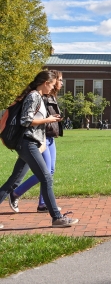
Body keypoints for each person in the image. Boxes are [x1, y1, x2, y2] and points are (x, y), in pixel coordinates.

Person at [0, 70, 78, 227]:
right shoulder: (34, 96)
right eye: (52, 84)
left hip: (31, 143)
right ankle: (57, 217)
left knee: (13, 182)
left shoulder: (39, 97)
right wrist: (47, 119)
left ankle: (56, 217)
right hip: (27, 143)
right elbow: (25, 120)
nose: (53, 87)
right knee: (46, 177)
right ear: (45, 83)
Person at [9, 71, 64, 213]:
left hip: (47, 137)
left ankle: (42, 204)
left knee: (47, 172)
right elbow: (28, 120)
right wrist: (49, 120)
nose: (61, 83)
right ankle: (16, 193)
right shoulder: (38, 96)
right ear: (49, 82)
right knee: (44, 174)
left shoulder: (48, 96)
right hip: (36, 139)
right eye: (59, 80)